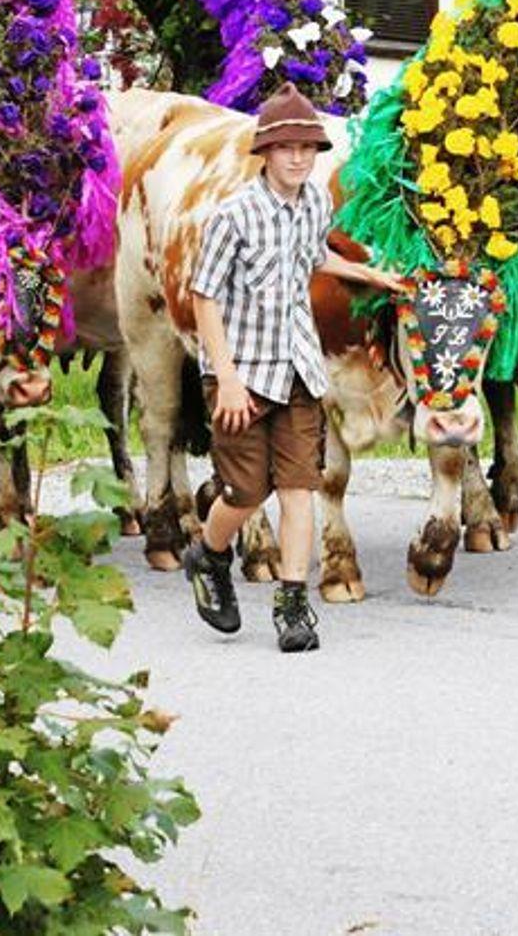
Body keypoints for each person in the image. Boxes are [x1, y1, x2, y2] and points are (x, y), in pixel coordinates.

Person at [182, 83, 404, 652]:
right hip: (241, 374)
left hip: (299, 369)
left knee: (300, 488)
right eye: (286, 148)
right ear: (265, 152)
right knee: (245, 493)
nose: (298, 158)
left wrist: (369, 274)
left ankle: (292, 605)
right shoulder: (233, 215)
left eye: (307, 148)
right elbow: (204, 296)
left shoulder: (315, 204)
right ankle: (207, 554)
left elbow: (312, 254)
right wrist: (227, 380)